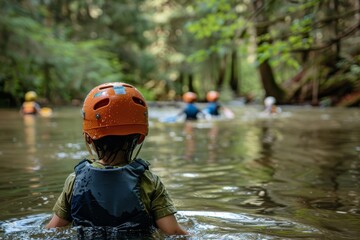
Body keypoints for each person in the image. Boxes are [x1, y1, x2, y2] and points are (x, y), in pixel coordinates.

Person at [46, 82, 188, 236]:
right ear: (140, 137)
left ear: (88, 138)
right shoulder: (148, 181)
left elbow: (53, 229)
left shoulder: (75, 180)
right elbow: (173, 232)